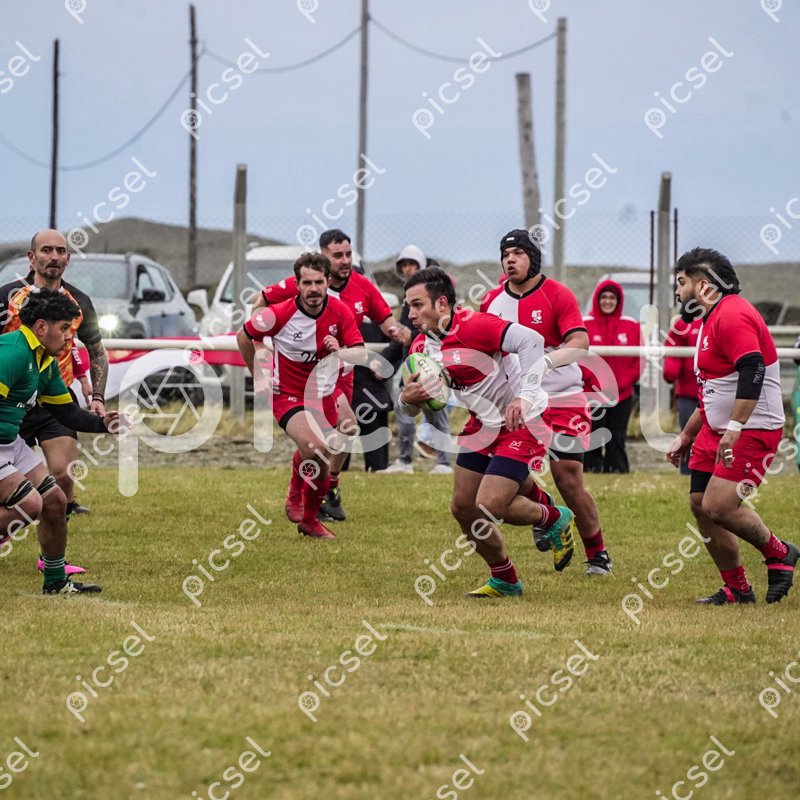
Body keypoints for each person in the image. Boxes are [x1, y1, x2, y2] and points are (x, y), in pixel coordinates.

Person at [400, 267, 575, 598]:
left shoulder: (474, 325)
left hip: (524, 421)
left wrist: (526, 395)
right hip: (482, 424)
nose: (410, 314)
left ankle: (553, 517)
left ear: (441, 303)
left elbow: (532, 341)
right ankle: (505, 579)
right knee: (463, 508)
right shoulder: (420, 348)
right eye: (409, 306)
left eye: (417, 304)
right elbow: (414, 408)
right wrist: (407, 399)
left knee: (489, 505)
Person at [666, 247, 797, 605]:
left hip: (752, 428)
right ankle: (737, 588)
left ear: (703, 285)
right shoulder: (711, 318)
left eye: (681, 282)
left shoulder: (733, 314)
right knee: (699, 503)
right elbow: (713, 390)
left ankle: (780, 552)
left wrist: (736, 426)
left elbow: (753, 368)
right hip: (717, 429)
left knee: (719, 507)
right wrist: (687, 435)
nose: (677, 291)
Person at [481, 230, 612, 575]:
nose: (510, 260)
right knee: (511, 476)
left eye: (518, 253)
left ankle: (598, 554)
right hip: (520, 403)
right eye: (505, 254)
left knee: (568, 478)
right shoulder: (492, 301)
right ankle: (547, 510)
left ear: (533, 258)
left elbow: (580, 342)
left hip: (565, 399)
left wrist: (546, 363)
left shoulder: (557, 294)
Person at [253, 229, 408, 521]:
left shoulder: (361, 286)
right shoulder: (303, 284)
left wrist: (397, 331)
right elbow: (258, 302)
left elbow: (384, 319)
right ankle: (312, 495)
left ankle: (328, 489)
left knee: (343, 431)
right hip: (305, 377)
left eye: (348, 254)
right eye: (338, 255)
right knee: (327, 436)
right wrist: (261, 346)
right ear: (324, 258)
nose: (345, 260)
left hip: (341, 372)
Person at [0, 230, 109, 573]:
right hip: (10, 406)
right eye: (46, 250)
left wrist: (99, 405)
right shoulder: (7, 299)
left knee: (60, 483)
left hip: (50, 398)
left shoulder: (78, 303)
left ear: (68, 258)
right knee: (25, 500)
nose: (54, 256)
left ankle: (52, 565)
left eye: (61, 250)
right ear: (31, 258)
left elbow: (97, 351)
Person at [238, 252, 365, 540]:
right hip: (288, 395)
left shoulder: (340, 311)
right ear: (297, 285)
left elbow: (360, 353)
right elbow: (243, 336)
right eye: (307, 283)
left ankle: (298, 494)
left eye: (319, 282)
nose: (313, 289)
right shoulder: (279, 314)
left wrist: (339, 351)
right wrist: (258, 375)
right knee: (316, 449)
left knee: (321, 449)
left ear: (328, 282)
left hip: (324, 396)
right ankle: (310, 521)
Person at [382, 245, 452, 475]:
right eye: (403, 265)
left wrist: (410, 336)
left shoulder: (435, 292)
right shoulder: (408, 297)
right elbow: (404, 334)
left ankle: (444, 463)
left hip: (431, 359)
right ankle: (405, 461)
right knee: (403, 408)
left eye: (411, 264)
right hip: (411, 361)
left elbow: (438, 327)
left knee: (436, 410)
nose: (407, 269)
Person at [582, 280, 643, 473]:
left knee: (616, 436)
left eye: (612, 298)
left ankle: (617, 469)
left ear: (619, 301)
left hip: (621, 393)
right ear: (597, 299)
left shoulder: (631, 326)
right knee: (593, 433)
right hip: (592, 392)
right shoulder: (584, 324)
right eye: (604, 297)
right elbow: (576, 357)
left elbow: (640, 359)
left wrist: (625, 381)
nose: (607, 301)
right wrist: (590, 380)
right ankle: (591, 469)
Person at [663, 316, 703, 475]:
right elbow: (673, 346)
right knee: (687, 433)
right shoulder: (684, 323)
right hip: (688, 391)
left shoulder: (721, 319)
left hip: (716, 391)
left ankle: (712, 472)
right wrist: (671, 369)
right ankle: (687, 472)